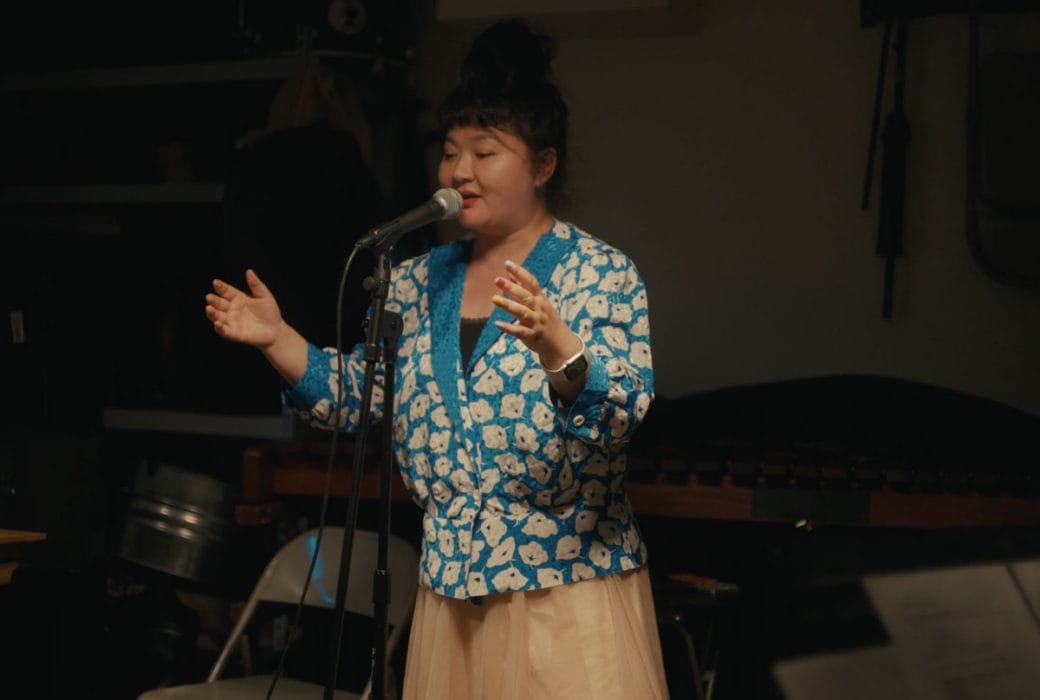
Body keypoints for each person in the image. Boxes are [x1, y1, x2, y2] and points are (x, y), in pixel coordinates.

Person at [205, 17, 668, 699]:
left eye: (485, 151)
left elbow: (621, 416)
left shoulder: (600, 274)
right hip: (450, 602)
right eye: (451, 151)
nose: (459, 171)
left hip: (565, 598)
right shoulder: (416, 280)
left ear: (543, 165)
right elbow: (362, 394)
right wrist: (280, 339)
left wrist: (559, 350)